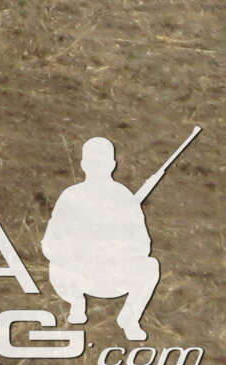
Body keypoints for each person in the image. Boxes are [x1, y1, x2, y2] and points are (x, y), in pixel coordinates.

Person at [43, 137, 163, 341]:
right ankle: (76, 302)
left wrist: (115, 248)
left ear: (112, 165)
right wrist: (76, 251)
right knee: (56, 266)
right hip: (79, 274)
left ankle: (130, 318)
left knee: (150, 266)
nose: (97, 166)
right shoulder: (71, 196)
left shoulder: (124, 197)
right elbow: (50, 243)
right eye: (93, 162)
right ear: (83, 165)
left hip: (114, 274)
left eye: (102, 161)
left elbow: (143, 245)